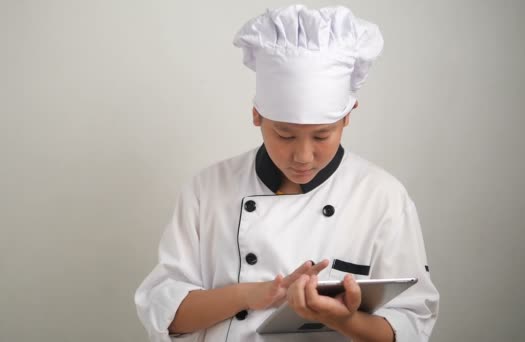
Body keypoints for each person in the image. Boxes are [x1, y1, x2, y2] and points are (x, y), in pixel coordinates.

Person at [135, 4, 439, 342]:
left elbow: (412, 326)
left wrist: (342, 320)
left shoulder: (382, 197)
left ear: (348, 116)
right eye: (285, 134)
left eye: (322, 134)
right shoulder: (208, 189)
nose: (303, 156)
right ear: (257, 115)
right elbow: (166, 316)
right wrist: (254, 294)